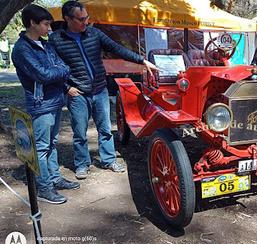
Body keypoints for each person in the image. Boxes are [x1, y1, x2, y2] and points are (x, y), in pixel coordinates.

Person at [49, 1, 159, 179]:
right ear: (67, 19)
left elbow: (117, 48)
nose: (86, 22)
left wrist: (142, 60)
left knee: (105, 129)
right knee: (79, 132)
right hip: (77, 93)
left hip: (99, 89)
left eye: (87, 18)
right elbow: (52, 67)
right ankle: (82, 164)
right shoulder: (56, 40)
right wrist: (66, 88)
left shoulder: (94, 33)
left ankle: (108, 160)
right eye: (81, 19)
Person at [12, 4, 80, 204]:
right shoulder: (22, 49)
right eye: (45, 23)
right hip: (41, 104)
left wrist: (58, 71)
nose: (49, 28)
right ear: (32, 23)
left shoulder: (46, 44)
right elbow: (44, 74)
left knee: (52, 143)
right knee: (42, 148)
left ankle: (55, 178)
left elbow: (58, 68)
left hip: (55, 100)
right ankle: (44, 188)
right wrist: (61, 71)